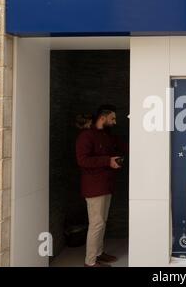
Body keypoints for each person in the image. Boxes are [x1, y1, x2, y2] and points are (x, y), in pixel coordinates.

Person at [76, 105, 127, 267]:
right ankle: (90, 262)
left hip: (106, 186)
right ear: (103, 118)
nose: (115, 121)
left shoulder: (105, 135)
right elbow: (82, 161)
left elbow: (122, 146)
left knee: (102, 222)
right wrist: (108, 161)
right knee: (96, 223)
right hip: (94, 188)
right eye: (112, 118)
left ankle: (98, 253)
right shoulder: (86, 136)